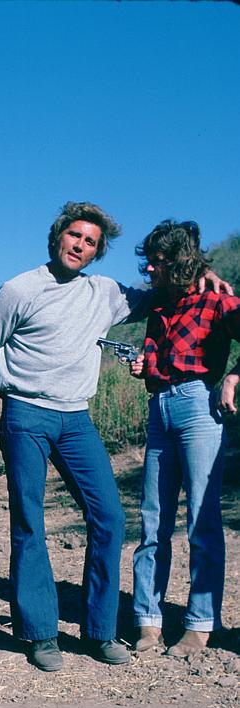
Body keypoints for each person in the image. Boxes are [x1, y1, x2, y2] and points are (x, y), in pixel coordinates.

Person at [0, 201, 230, 674]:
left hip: (77, 419)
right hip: (26, 416)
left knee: (109, 516)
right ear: (58, 237)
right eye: (74, 235)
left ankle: (101, 630)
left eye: (90, 242)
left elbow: (167, 286)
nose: (80, 245)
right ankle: (41, 633)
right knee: (30, 521)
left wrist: (204, 273)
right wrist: (12, 387)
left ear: (96, 252)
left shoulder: (104, 293)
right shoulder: (20, 289)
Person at [129, 220, 240, 657]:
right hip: (159, 407)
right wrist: (144, 365)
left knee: (201, 520)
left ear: (179, 262)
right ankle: (148, 620)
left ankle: (200, 624)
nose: (149, 269)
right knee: (152, 520)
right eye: (149, 261)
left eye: (158, 262)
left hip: (199, 405)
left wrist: (233, 376)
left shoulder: (217, 299)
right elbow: (154, 354)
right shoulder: (159, 304)